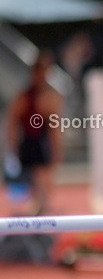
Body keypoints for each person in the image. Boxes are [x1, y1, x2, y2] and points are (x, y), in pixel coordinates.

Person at [5, 52, 63, 215]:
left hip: (41, 144)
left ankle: (41, 210)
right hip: (28, 144)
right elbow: (11, 124)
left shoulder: (51, 97)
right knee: (31, 184)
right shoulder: (24, 97)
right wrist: (13, 146)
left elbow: (54, 128)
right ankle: (33, 212)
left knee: (44, 183)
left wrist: (57, 149)